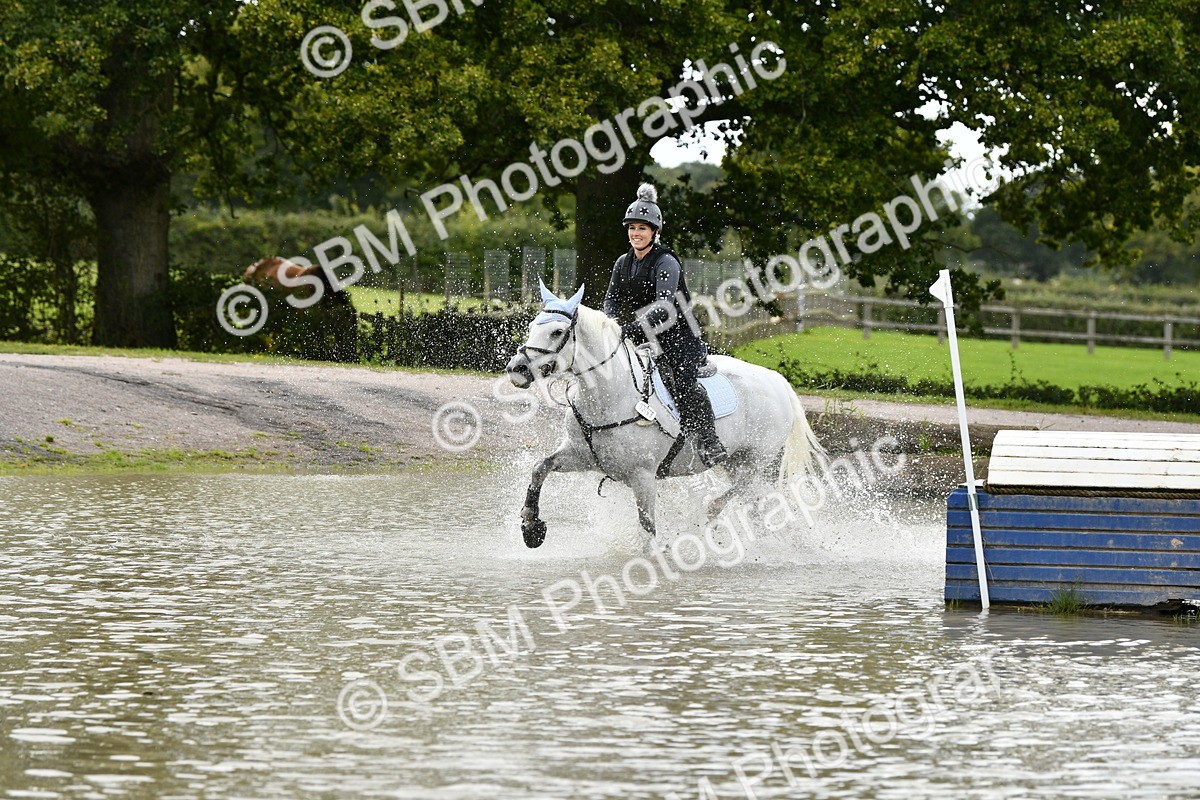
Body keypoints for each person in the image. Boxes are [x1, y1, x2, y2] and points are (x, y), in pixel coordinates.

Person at [602, 183, 727, 467]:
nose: (636, 233)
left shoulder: (666, 261)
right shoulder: (623, 263)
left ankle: (710, 440)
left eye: (642, 228)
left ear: (655, 232)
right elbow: (611, 300)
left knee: (682, 380)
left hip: (681, 336)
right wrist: (607, 325)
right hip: (645, 336)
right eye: (632, 227)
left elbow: (664, 308)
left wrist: (630, 329)